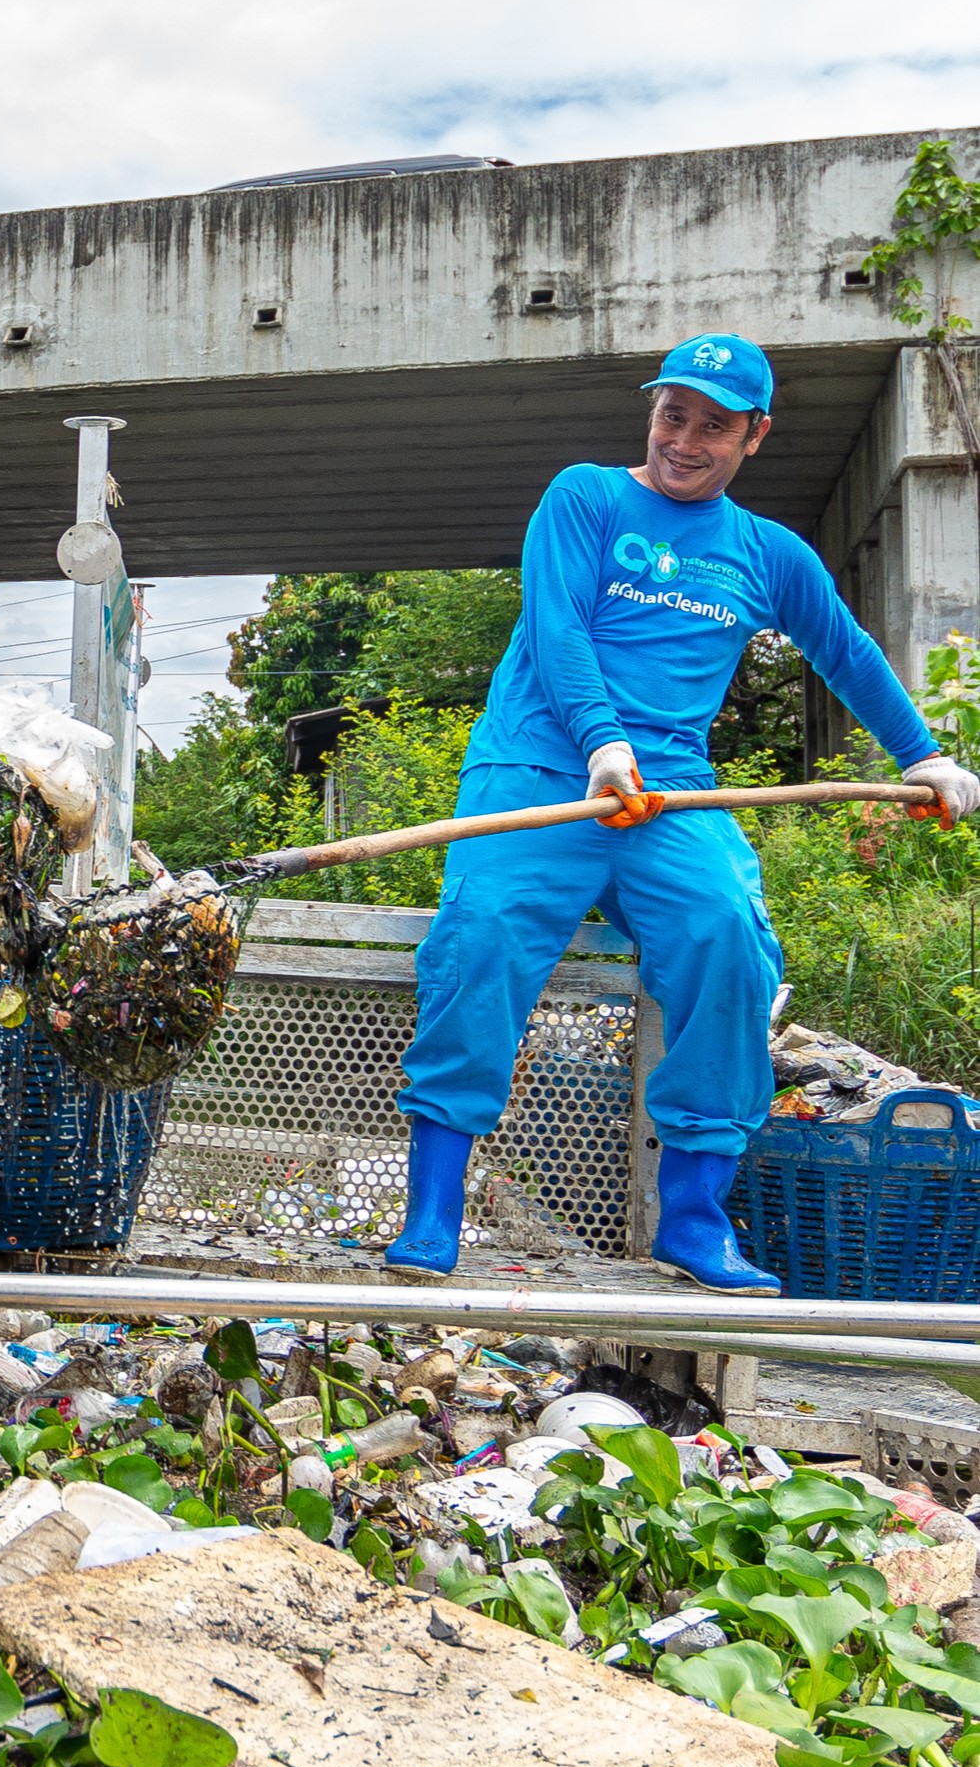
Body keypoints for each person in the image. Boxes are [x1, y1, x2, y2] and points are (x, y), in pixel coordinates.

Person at [390, 332, 980, 1289]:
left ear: (755, 436)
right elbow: (556, 625)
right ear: (652, 413)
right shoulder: (583, 495)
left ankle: (695, 1224)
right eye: (674, 415)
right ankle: (432, 1215)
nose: (686, 439)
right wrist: (598, 739)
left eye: (715, 425)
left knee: (727, 938)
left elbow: (847, 651)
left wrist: (924, 755)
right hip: (539, 768)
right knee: (483, 940)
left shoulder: (766, 553)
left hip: (673, 786)